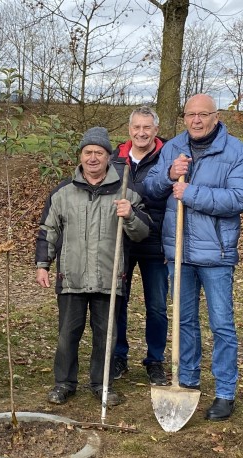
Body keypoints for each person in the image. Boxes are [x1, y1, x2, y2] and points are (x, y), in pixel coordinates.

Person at [144, 94, 243, 422]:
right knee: (184, 321)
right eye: (190, 114)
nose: (196, 120)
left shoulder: (235, 151)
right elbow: (149, 188)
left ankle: (225, 391)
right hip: (179, 252)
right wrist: (168, 176)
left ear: (215, 116)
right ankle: (188, 380)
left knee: (221, 324)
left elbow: (239, 198)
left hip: (216, 254)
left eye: (202, 115)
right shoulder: (172, 148)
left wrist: (190, 193)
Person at [36, 127, 150, 406]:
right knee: (67, 335)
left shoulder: (125, 191)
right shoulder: (63, 192)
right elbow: (48, 229)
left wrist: (131, 215)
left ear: (108, 157)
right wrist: (42, 264)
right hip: (71, 276)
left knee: (106, 336)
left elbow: (143, 232)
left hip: (109, 278)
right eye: (88, 152)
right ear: (80, 156)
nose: (93, 157)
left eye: (99, 152)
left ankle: (102, 384)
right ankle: (64, 383)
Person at [109, 106, 168, 386]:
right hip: (123, 241)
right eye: (136, 128)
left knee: (156, 305)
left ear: (155, 130)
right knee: (118, 300)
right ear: (129, 130)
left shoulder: (167, 157)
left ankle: (155, 359)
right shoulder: (115, 159)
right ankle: (119, 355)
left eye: (147, 128)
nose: (141, 133)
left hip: (156, 242)